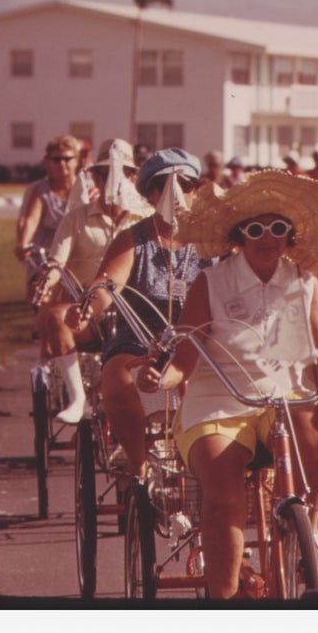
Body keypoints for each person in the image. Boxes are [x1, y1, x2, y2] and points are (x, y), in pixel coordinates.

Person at [137, 171, 318, 601]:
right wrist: (161, 377)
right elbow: (184, 360)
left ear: (290, 235)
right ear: (239, 236)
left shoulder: (305, 282)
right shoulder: (211, 282)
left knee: (315, 432)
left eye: (278, 228)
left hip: (285, 397)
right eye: (255, 229)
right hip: (218, 401)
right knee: (223, 497)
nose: (267, 238)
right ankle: (226, 600)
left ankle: (310, 531)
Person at [75, 148, 212, 476]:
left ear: (196, 190)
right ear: (150, 193)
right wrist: (87, 308)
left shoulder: (213, 241)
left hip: (204, 340)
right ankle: (139, 465)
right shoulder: (133, 239)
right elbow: (106, 284)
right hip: (141, 338)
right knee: (117, 377)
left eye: (186, 185)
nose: (176, 193)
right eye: (164, 185)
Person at [30, 139, 148, 423]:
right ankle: (77, 398)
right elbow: (57, 262)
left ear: (132, 178)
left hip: (136, 313)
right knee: (56, 318)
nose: (112, 181)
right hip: (88, 310)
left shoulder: (146, 217)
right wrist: (46, 281)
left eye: (121, 174)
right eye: (104, 175)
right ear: (95, 178)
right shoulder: (76, 218)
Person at [13, 135, 81, 275]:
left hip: (77, 258)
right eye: (56, 159)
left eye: (67, 158)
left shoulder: (87, 189)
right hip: (45, 257)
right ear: (48, 162)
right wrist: (24, 243)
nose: (62, 163)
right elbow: (30, 220)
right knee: (41, 287)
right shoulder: (41, 190)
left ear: (77, 160)